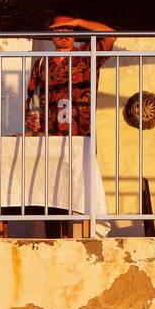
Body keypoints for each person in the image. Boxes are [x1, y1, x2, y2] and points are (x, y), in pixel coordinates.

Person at [21, 15, 117, 236]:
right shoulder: (42, 63)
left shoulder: (85, 55)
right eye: (59, 30)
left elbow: (110, 35)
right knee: (51, 188)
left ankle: (81, 238)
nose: (63, 35)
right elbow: (32, 99)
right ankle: (53, 238)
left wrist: (79, 22)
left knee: (79, 186)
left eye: (68, 30)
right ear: (51, 34)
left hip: (80, 134)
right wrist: (31, 124)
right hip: (49, 136)